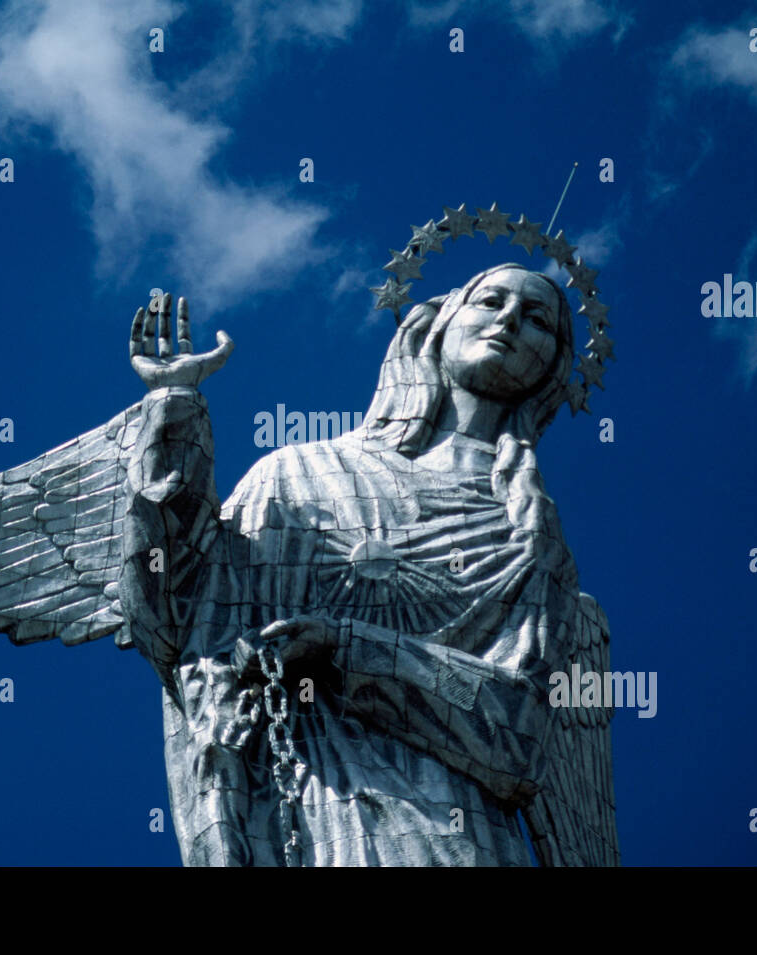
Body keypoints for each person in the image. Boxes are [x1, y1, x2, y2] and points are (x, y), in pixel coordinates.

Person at [117, 264, 617, 866]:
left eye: (537, 319)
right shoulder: (297, 474)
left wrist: (345, 646)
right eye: (490, 300)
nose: (510, 319)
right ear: (438, 326)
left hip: (459, 832)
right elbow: (183, 619)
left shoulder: (531, 535)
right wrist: (173, 414)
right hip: (315, 802)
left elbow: (516, 734)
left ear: (552, 366)